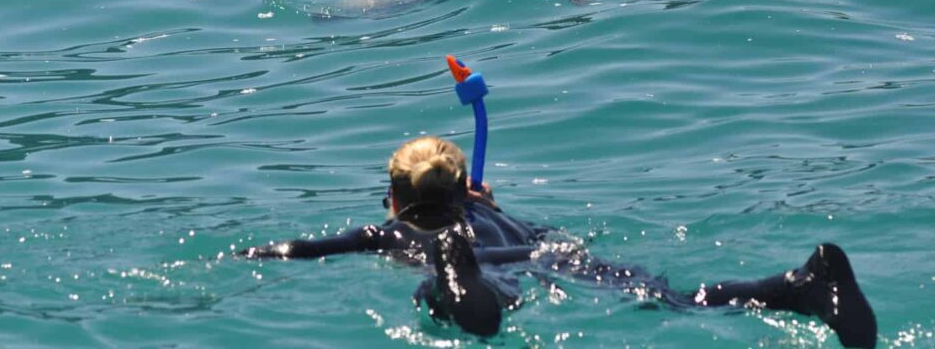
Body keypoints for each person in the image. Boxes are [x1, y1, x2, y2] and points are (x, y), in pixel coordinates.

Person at [240, 136, 877, 348]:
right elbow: (521, 229)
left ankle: (456, 281)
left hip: (482, 267)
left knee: (453, 297)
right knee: (678, 298)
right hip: (548, 256)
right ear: (467, 188)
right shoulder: (504, 217)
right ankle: (800, 284)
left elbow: (306, 249)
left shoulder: (391, 229)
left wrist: (255, 254)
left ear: (397, 197)